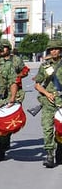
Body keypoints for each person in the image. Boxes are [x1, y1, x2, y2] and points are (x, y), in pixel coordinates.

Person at [32, 37, 62, 168]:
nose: (54, 51)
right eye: (52, 49)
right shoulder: (45, 65)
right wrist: (47, 93)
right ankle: (50, 155)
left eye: (56, 49)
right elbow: (37, 85)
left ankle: (60, 150)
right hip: (49, 102)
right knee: (47, 128)